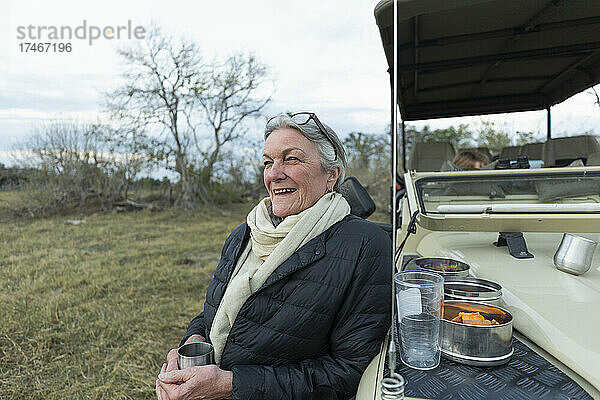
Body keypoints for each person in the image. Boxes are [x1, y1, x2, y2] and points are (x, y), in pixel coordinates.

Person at [155, 112, 392, 400]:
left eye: (291, 159)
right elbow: (216, 314)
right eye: (268, 162)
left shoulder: (365, 246)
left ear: (332, 174)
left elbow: (349, 371)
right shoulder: (246, 233)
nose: (274, 173)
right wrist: (192, 342)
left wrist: (231, 385)